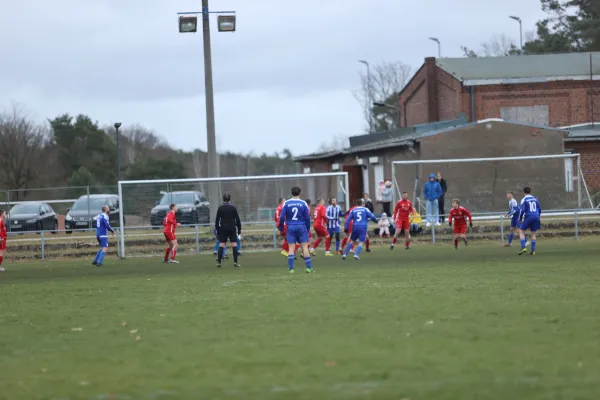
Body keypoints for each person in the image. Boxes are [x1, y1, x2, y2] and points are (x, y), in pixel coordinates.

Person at [278, 187, 313, 273]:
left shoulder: (286, 203)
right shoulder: (303, 203)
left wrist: (281, 227)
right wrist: (307, 228)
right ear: (299, 193)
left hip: (290, 227)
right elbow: (307, 218)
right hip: (301, 226)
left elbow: (282, 217)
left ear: (291, 193)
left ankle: (291, 269)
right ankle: (308, 268)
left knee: (291, 248)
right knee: (304, 247)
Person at [215, 193, 242, 268]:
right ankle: (235, 263)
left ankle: (219, 263)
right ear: (230, 199)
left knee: (221, 244)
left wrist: (217, 229)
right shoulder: (233, 208)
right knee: (234, 245)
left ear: (223, 199)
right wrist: (239, 229)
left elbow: (217, 220)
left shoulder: (220, 208)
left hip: (223, 228)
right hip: (232, 228)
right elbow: (237, 219)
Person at [518, 187, 541, 256]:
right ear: (530, 191)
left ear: (524, 192)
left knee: (521, 231)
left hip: (529, 216)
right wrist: (538, 216)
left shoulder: (524, 199)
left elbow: (522, 210)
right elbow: (539, 209)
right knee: (533, 233)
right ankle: (533, 251)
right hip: (536, 216)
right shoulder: (535, 199)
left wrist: (520, 218)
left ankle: (523, 247)